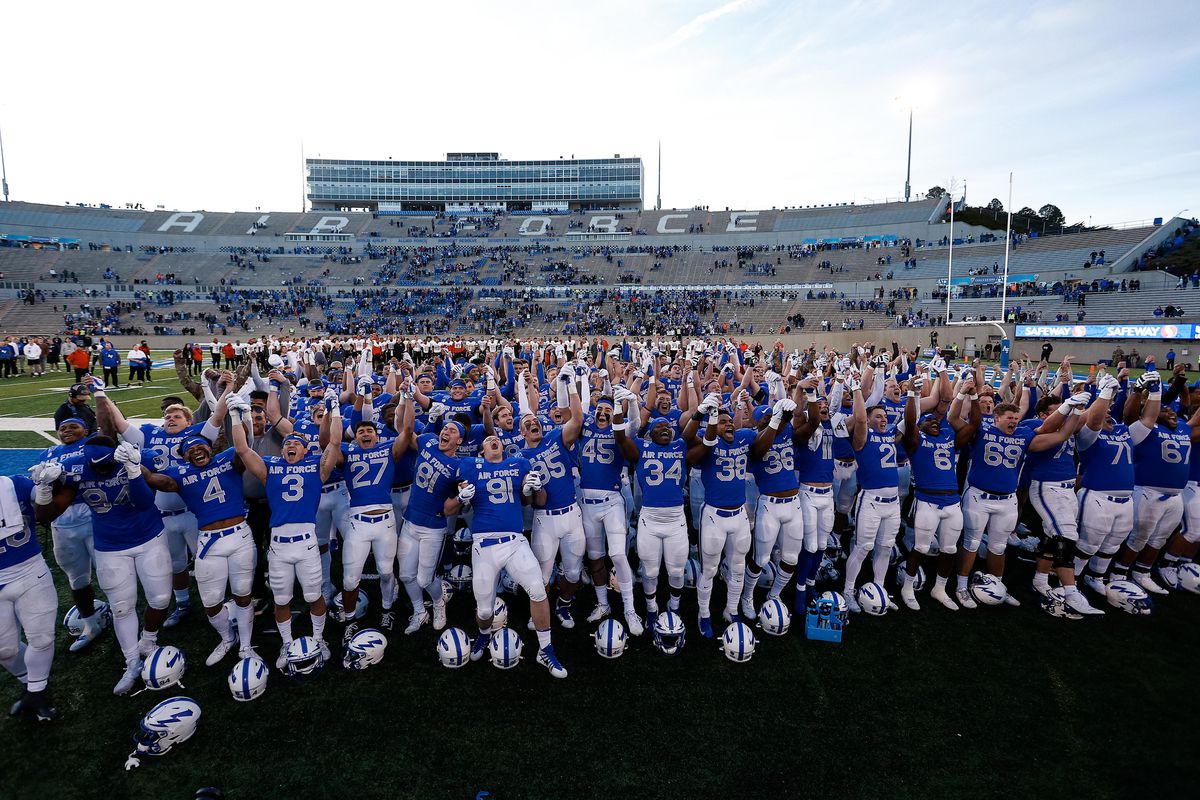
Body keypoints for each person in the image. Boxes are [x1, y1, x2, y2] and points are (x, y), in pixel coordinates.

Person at [35, 437, 172, 695]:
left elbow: (144, 502)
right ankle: (131, 662)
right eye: (96, 466)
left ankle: (149, 640)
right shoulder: (76, 469)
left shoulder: (130, 458)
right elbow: (45, 516)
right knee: (122, 608)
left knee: (161, 598)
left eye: (107, 465)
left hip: (149, 537)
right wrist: (44, 488)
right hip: (110, 546)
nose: (102, 470)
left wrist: (133, 470)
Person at [142, 393, 258, 668]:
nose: (196, 450)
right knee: (211, 601)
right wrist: (135, 466)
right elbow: (157, 480)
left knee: (242, 593)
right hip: (208, 541)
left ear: (209, 448)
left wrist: (242, 419)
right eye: (190, 450)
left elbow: (245, 448)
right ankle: (226, 637)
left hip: (240, 535)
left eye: (200, 447)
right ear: (183, 457)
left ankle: (245, 643)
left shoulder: (227, 459)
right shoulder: (179, 473)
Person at [446, 435, 568, 678]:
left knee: (537, 589)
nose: (493, 439)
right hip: (484, 545)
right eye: (488, 439)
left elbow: (532, 501)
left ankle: (545, 649)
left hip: (514, 541)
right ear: (482, 449)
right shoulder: (471, 466)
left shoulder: (518, 464)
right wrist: (463, 499)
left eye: (496, 439)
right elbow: (453, 508)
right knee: (483, 612)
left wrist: (532, 489)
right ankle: (483, 635)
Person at [230, 419, 336, 670]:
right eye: (288, 443)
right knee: (282, 599)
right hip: (279, 546)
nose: (291, 446)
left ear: (305, 450)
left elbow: (335, 442)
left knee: (313, 595)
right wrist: (236, 418)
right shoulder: (271, 467)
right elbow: (243, 449)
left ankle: (319, 638)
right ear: (282, 449)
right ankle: (287, 643)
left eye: (297, 444)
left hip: (306, 543)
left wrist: (335, 413)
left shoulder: (315, 467)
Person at [900, 372, 978, 610]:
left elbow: (974, 424)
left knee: (949, 549)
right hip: (926, 499)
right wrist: (912, 395)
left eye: (936, 419)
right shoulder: (915, 440)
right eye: (928, 419)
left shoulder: (948, 438)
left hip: (952, 501)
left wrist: (972, 396)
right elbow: (911, 421)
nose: (934, 420)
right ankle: (907, 587)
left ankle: (940, 588)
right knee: (921, 547)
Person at [38, 417, 106, 651]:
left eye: (73, 426)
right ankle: (90, 624)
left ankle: (122, 615)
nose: (66, 430)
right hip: (61, 522)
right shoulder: (48, 452)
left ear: (85, 430)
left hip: (92, 514)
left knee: (110, 574)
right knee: (77, 579)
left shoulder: (92, 445)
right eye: (62, 427)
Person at [0, 470, 61, 721]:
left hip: (29, 571)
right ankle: (30, 684)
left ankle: (36, 692)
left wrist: (47, 484)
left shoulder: (14, 484)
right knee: (4, 650)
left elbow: (44, 504)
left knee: (42, 637)